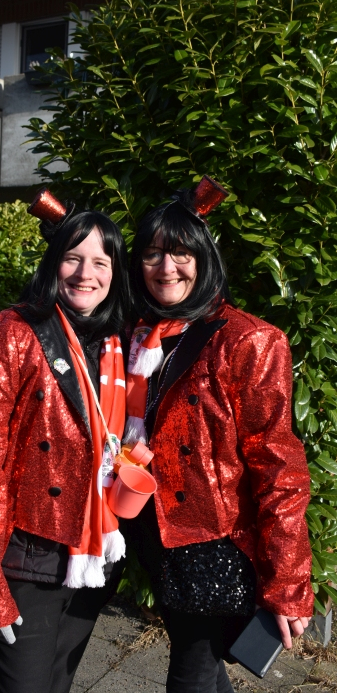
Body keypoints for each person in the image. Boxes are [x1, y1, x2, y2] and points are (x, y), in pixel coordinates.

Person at [0, 191, 131, 693]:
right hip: (26, 557)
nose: (86, 274)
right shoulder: (5, 335)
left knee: (59, 682)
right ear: (52, 261)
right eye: (73, 258)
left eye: (101, 262)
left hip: (95, 557)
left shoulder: (117, 342)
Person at [124, 177, 313, 693]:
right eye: (153, 254)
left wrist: (288, 581)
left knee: (190, 672)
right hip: (155, 536)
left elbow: (280, 467)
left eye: (181, 253)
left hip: (215, 547)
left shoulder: (248, 340)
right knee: (202, 666)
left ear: (204, 258)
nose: (167, 267)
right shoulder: (141, 334)